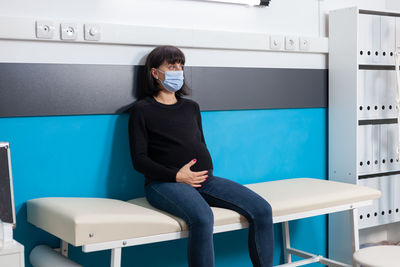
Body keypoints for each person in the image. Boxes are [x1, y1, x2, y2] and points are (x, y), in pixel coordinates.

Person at [128, 45, 274, 267]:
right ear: (155, 72)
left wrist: (202, 172)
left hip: (205, 180)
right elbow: (139, 159)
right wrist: (177, 176)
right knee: (203, 218)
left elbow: (199, 143)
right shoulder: (142, 110)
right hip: (164, 183)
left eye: (181, 66)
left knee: (262, 209)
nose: (178, 70)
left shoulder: (191, 107)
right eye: (171, 66)